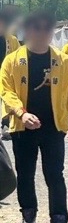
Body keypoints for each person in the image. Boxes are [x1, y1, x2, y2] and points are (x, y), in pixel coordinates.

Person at [0, 11, 68, 223]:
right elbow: (6, 91)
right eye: (37, 28)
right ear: (27, 31)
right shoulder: (13, 60)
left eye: (47, 29)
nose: (42, 33)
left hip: (53, 126)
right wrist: (22, 114)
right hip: (23, 127)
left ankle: (59, 221)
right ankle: (28, 214)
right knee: (25, 172)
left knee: (55, 173)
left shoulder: (62, 61)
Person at [0, 8, 20, 139]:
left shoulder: (11, 40)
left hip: (5, 75)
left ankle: (6, 124)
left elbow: (18, 57)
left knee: (6, 99)